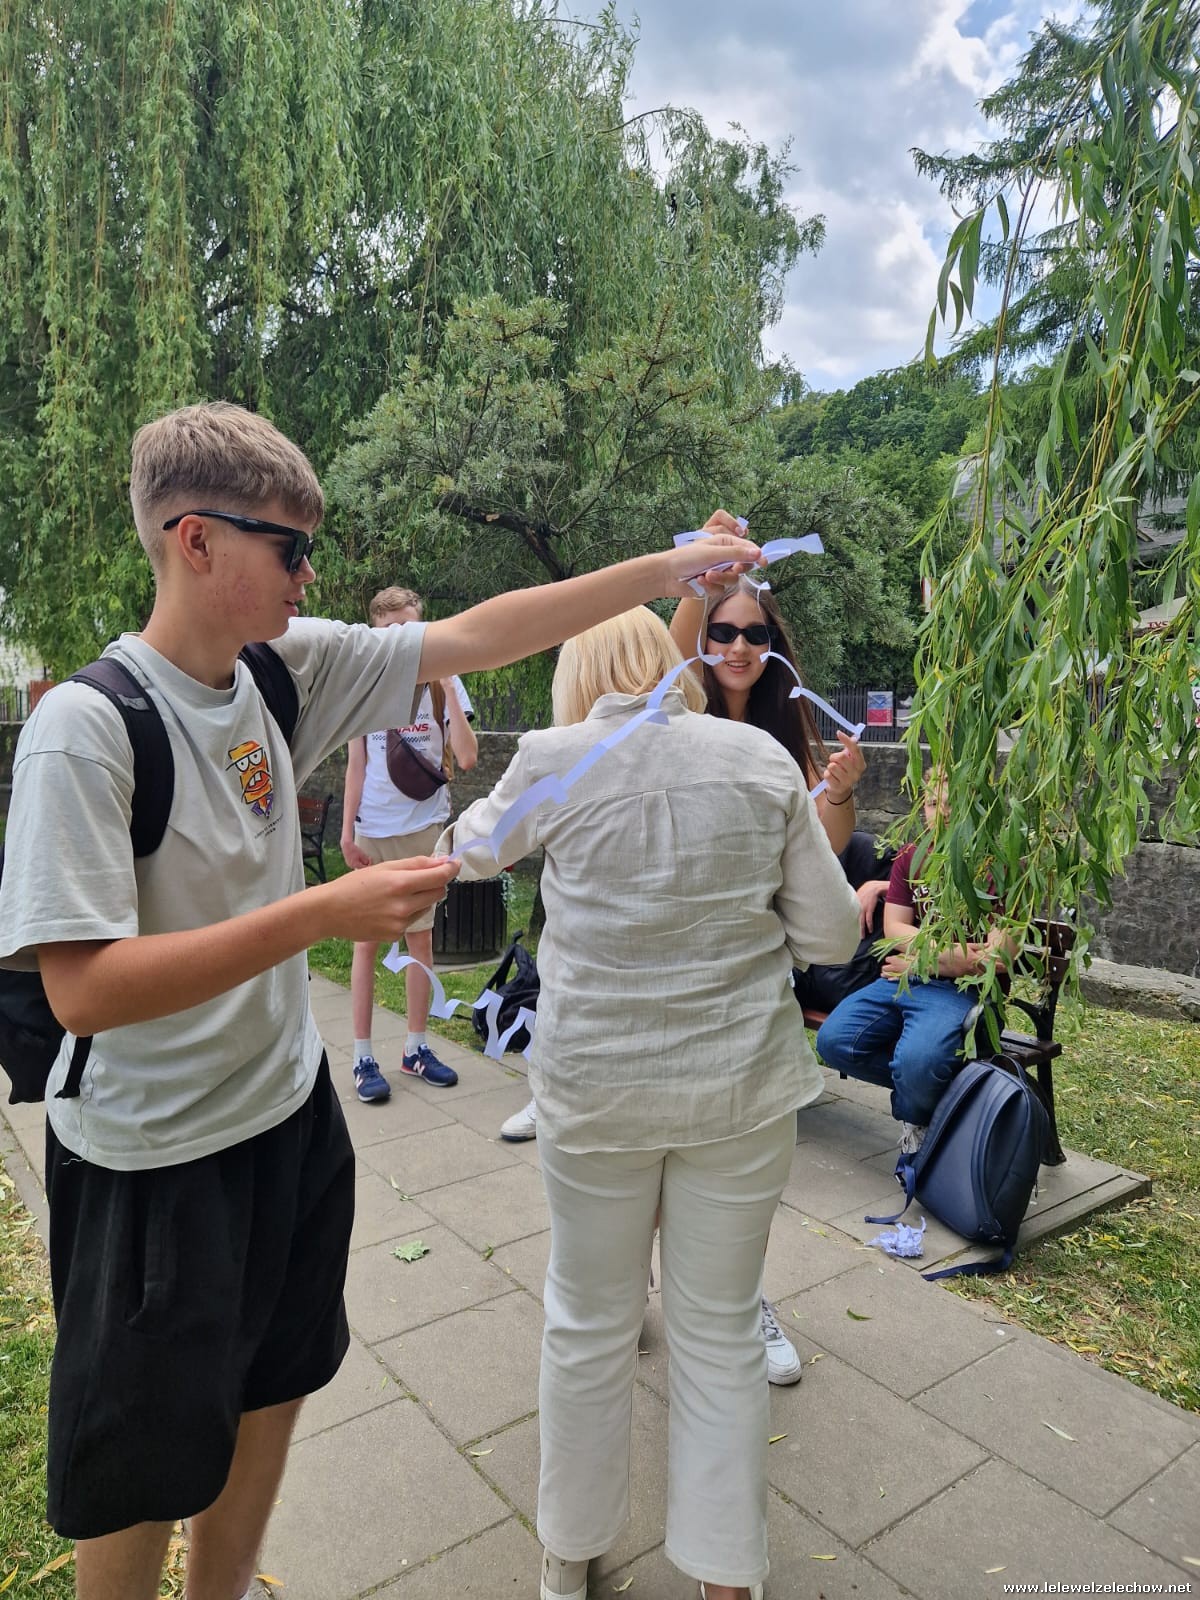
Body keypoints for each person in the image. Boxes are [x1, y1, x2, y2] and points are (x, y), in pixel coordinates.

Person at [0, 400, 761, 1600]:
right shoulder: (86, 731)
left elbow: (480, 634)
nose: (311, 574)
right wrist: (322, 913)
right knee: (138, 1466)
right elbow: (84, 990)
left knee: (271, 1396)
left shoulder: (282, 668)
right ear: (196, 541)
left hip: (287, 1123)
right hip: (154, 1161)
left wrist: (670, 571)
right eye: (290, 548)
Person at [440, 607, 861, 1600]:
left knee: (587, 1323)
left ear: (578, 672)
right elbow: (833, 936)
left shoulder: (554, 757)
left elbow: (467, 852)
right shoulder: (758, 761)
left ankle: (568, 1554)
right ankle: (727, 1578)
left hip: (596, 1092)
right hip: (741, 1090)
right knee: (720, 1332)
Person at [667, 512, 867, 1383]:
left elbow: (822, 859)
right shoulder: (675, 708)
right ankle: (650, 1281)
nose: (739, 646)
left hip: (757, 970)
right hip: (677, 956)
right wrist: (703, 576)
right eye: (723, 631)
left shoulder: (790, 738)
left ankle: (745, 1297)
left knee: (743, 1157)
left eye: (755, 633)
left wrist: (842, 795)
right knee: (664, 1143)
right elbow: (665, 656)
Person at [815, 770, 1015, 1152]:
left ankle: (919, 1123)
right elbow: (895, 930)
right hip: (904, 979)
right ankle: (938, 1096)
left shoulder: (997, 866)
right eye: (932, 803)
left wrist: (924, 960)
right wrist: (951, 958)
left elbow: (998, 956)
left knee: (918, 1063)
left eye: (953, 804)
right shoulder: (911, 856)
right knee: (835, 1042)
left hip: (961, 992)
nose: (941, 814)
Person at [341, 586, 478, 1100]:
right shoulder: (363, 683)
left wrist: (445, 681)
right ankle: (362, 1057)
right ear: (375, 632)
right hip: (375, 829)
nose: (401, 639)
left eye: (410, 628)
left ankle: (415, 1048)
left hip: (425, 828)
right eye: (390, 630)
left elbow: (467, 757)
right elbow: (357, 763)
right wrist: (346, 831)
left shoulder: (446, 681)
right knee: (366, 943)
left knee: (421, 939)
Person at [791, 830, 896, 1015]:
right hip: (801, 975)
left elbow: (921, 885)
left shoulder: (858, 848)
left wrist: (881, 887)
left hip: (846, 981)